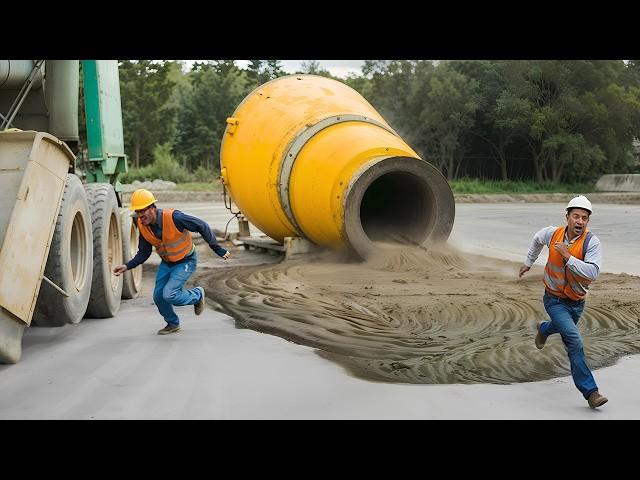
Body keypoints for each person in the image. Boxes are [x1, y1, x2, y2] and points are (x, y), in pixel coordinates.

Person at [518, 195, 608, 409]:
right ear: (567, 216)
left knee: (564, 330)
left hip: (577, 302)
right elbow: (537, 239)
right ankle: (591, 392)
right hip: (554, 300)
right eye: (575, 216)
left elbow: (593, 273)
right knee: (574, 341)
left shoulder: (591, 242)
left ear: (588, 221)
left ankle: (545, 328)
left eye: (584, 218)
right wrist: (528, 262)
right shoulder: (553, 233)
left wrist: (568, 256)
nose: (580, 221)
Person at [113, 189, 230, 335]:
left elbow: (202, 225)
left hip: (186, 261)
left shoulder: (174, 217)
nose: (140, 216)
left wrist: (217, 249)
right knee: (158, 297)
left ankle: (197, 295)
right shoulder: (143, 226)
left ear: (152, 208)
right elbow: (144, 253)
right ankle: (173, 323)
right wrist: (127, 266)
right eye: (138, 212)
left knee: (169, 295)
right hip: (167, 264)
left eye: (142, 211)